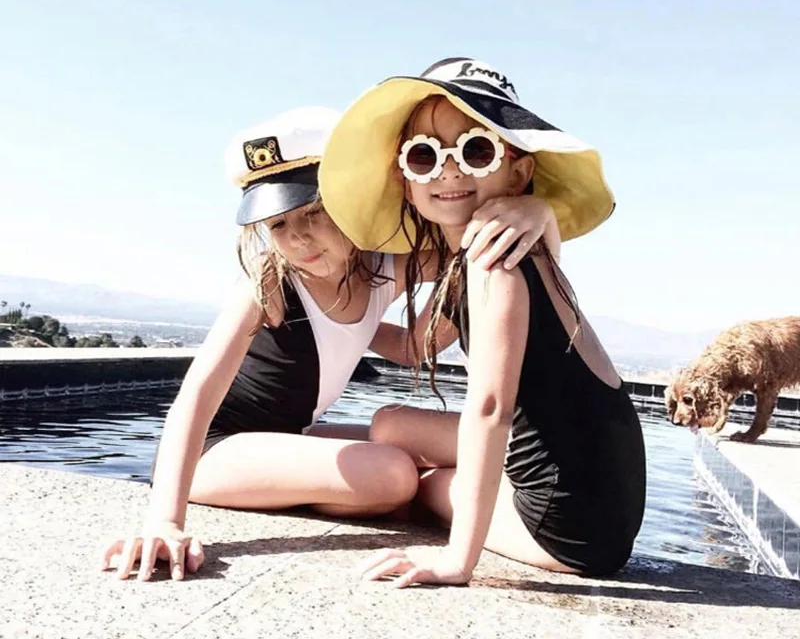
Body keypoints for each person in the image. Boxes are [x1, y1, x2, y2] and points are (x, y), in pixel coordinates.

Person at [100, 105, 560, 582]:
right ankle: (381, 494)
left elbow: (469, 250)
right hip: (216, 452)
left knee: (407, 434)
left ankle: (458, 506)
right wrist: (165, 522)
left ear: (351, 201)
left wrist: (537, 210)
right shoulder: (268, 281)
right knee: (391, 473)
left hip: (290, 438)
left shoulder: (384, 267)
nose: (299, 237)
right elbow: (198, 395)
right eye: (277, 224)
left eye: (314, 212)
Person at [319, 58, 647, 586]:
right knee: (390, 424)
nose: (449, 171)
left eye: (475, 150)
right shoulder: (504, 253)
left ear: (519, 170)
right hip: (597, 504)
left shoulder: (494, 262)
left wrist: (456, 562)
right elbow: (415, 347)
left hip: (572, 531)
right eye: (424, 155)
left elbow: (490, 409)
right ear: (406, 180)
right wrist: (339, 318)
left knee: (421, 484)